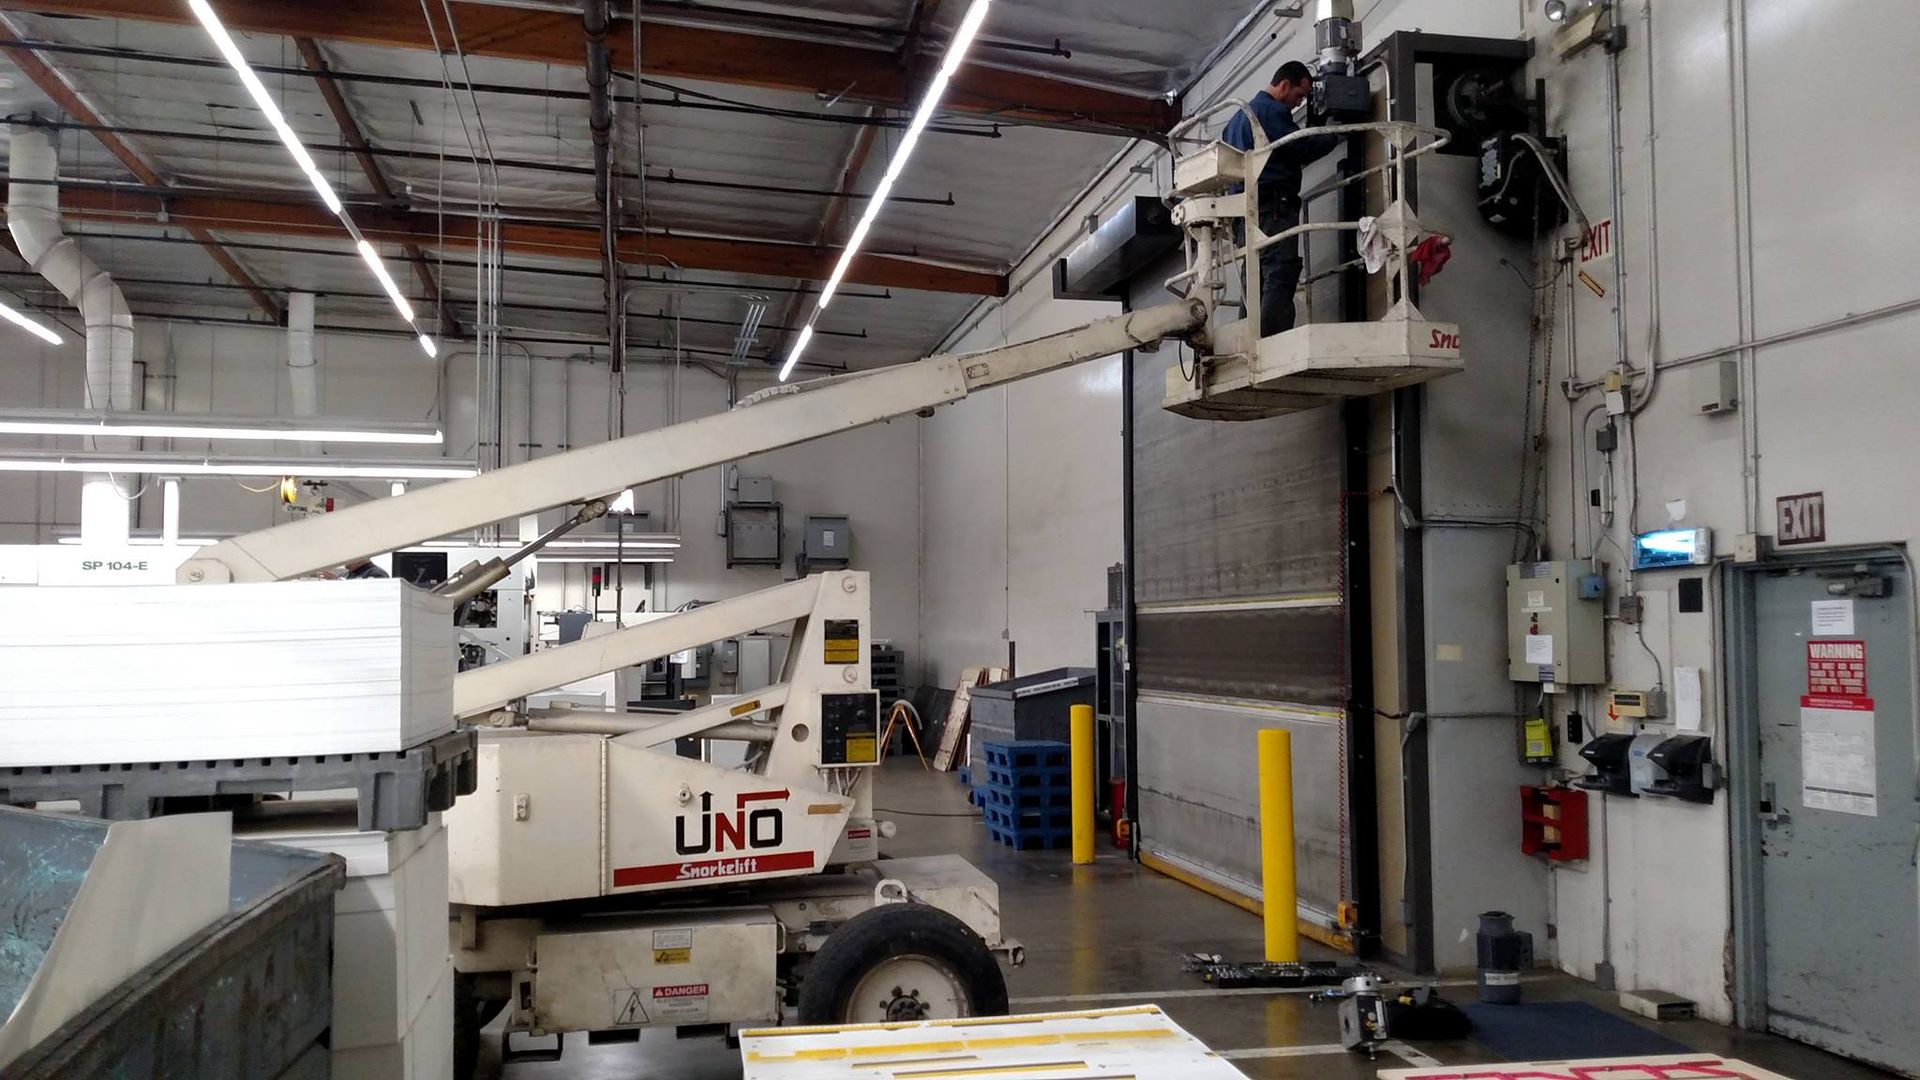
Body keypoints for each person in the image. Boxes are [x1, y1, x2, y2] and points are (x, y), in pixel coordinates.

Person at [1221, 61, 1341, 338]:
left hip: (1243, 213)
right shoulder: (1270, 111)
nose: (1298, 103)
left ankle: (1248, 338)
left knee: (1253, 277)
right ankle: (1272, 339)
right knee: (1279, 270)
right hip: (1273, 206)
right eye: (1299, 95)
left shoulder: (1236, 121)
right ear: (1284, 85)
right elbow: (1300, 146)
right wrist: (1332, 135)